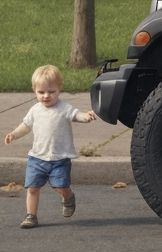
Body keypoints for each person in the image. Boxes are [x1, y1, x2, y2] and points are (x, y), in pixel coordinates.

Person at [4, 64, 97, 229]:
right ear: (34, 90)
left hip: (59, 158)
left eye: (51, 92)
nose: (46, 96)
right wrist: (14, 134)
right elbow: (25, 126)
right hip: (37, 157)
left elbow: (77, 115)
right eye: (41, 92)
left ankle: (68, 197)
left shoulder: (64, 108)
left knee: (60, 186)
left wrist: (86, 116)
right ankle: (30, 216)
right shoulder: (35, 110)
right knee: (32, 188)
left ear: (59, 89)